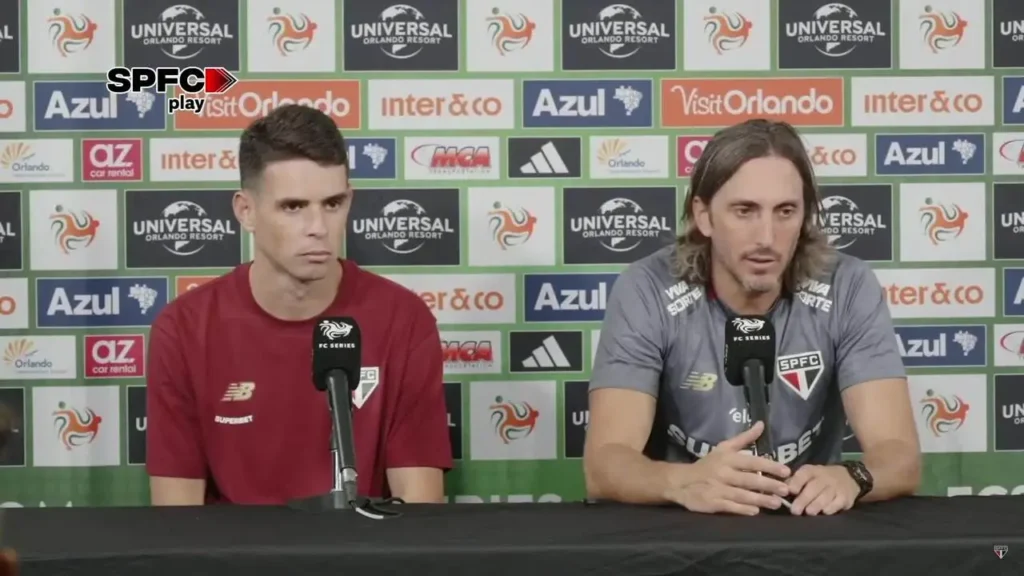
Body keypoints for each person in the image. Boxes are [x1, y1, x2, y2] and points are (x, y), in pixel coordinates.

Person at [583, 119, 921, 516]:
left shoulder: (847, 286)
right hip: (687, 525)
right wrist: (681, 482)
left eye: (785, 211)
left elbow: (900, 455)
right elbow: (605, 464)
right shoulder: (647, 289)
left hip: (806, 523)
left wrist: (854, 476)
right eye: (744, 211)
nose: (766, 237)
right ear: (704, 215)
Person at [145, 104, 452, 506]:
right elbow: (176, 516)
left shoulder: (404, 320)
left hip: (366, 545)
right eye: (293, 207)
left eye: (332, 204)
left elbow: (419, 507)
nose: (318, 229)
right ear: (246, 211)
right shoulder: (184, 329)